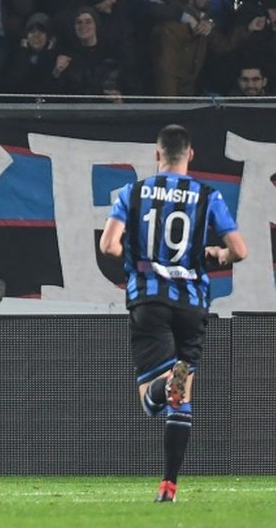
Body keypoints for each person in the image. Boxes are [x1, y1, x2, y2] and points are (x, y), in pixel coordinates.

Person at [99, 124, 247, 502]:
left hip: (150, 299)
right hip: (192, 302)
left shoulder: (132, 193)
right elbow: (240, 250)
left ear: (157, 154)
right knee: (183, 396)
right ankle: (169, 485)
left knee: (152, 400)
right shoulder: (207, 195)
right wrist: (218, 254)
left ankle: (166, 386)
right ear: (190, 155)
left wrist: (137, 257)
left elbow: (109, 245)